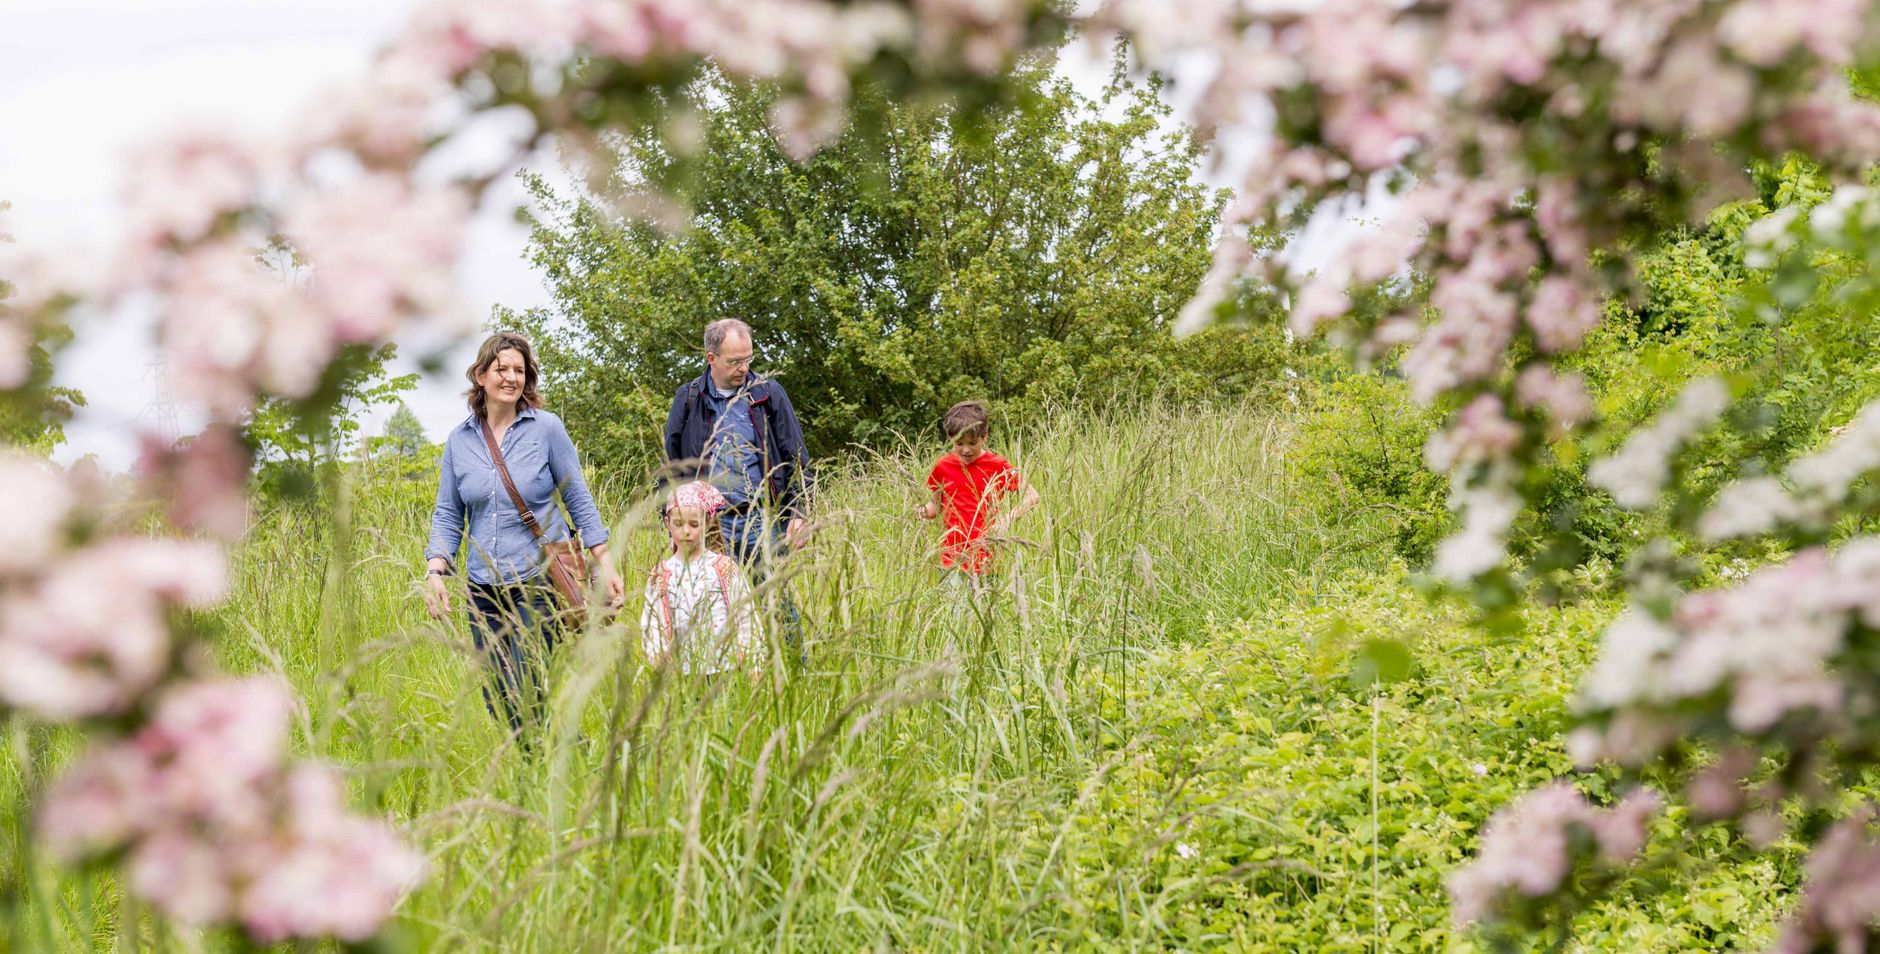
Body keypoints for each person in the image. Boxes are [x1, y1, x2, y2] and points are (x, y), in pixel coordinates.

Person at [423, 332, 624, 741]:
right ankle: (569, 748)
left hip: (539, 580)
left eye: (519, 370)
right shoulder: (459, 442)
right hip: (484, 587)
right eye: (502, 369)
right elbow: (448, 512)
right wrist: (436, 571)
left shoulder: (546, 429)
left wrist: (605, 561)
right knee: (498, 696)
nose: (511, 378)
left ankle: (544, 773)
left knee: (527, 684)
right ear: (481, 375)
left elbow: (577, 496)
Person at [663, 318, 811, 665]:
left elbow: (796, 456)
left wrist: (800, 513)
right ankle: (723, 685)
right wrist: (672, 519)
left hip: (761, 519)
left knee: (774, 601)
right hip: (707, 525)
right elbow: (672, 465)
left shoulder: (767, 394)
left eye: (748, 359)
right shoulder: (688, 399)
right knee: (712, 608)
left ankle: (794, 676)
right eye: (734, 361)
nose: (743, 368)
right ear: (711, 358)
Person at [914, 400, 1041, 595]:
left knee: (985, 615)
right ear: (950, 438)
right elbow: (936, 505)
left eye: (972, 443)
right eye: (959, 443)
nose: (966, 450)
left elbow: (1032, 496)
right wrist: (923, 511)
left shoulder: (997, 465)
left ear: (984, 436)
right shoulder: (943, 466)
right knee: (956, 617)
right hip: (952, 558)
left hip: (987, 559)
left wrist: (1007, 520)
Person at [639, 480, 764, 677]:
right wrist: (659, 658)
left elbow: (746, 617)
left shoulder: (724, 568)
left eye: (694, 524)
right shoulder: (661, 574)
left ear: (708, 523)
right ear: (667, 523)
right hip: (683, 675)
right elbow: (652, 625)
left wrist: (754, 663)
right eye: (678, 524)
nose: (686, 531)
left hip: (727, 671)